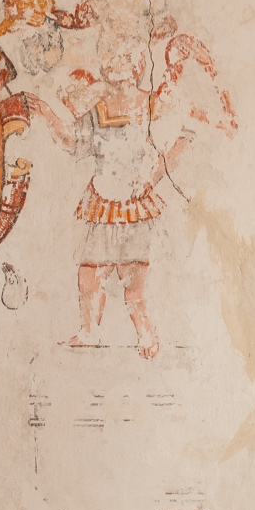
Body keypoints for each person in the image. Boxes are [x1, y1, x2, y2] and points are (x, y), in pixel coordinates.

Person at [29, 23, 197, 358]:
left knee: (133, 280)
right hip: (104, 200)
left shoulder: (153, 104)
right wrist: (47, 113)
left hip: (134, 203)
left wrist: (153, 176)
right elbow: (74, 141)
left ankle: (146, 334)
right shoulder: (100, 108)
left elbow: (184, 137)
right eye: (112, 57)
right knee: (90, 273)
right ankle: (89, 331)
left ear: (137, 64)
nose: (118, 64)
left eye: (125, 57)